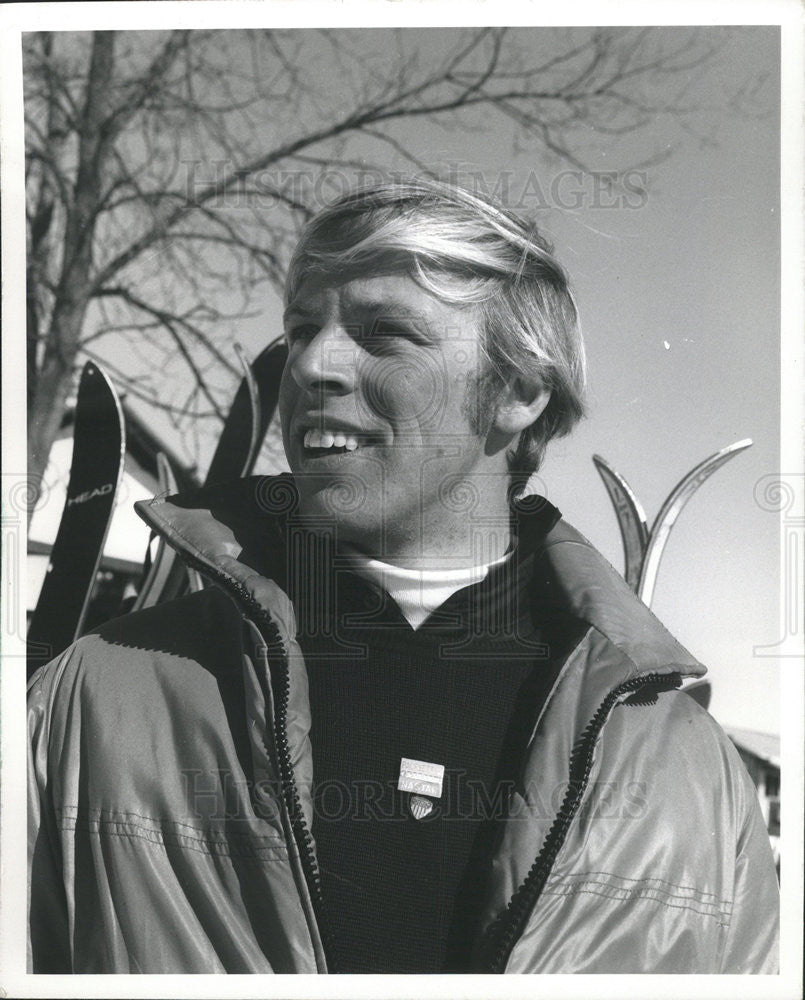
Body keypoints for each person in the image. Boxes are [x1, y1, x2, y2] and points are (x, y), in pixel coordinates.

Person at [28, 178, 779, 975]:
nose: (312, 362)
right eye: (302, 326)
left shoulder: (687, 772)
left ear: (519, 391)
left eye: (386, 333)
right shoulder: (95, 695)